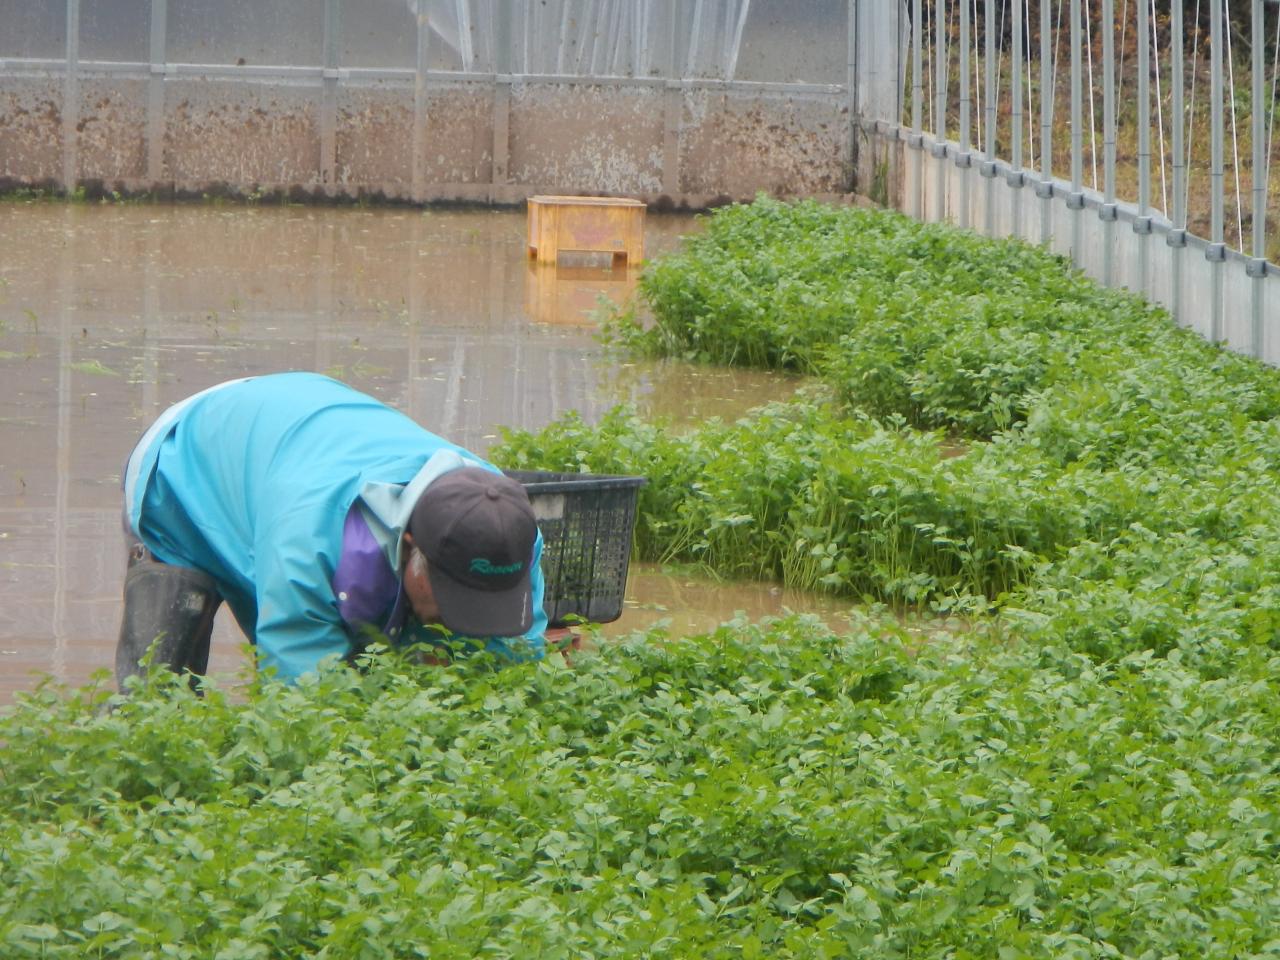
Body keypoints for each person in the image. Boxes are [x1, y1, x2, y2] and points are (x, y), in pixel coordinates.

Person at [116, 372, 550, 689]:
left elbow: (513, 658)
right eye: (454, 596)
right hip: (191, 458)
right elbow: (305, 698)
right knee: (158, 686)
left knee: (380, 654)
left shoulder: (504, 525)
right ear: (412, 550)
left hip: (308, 428)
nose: (468, 612)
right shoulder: (307, 544)